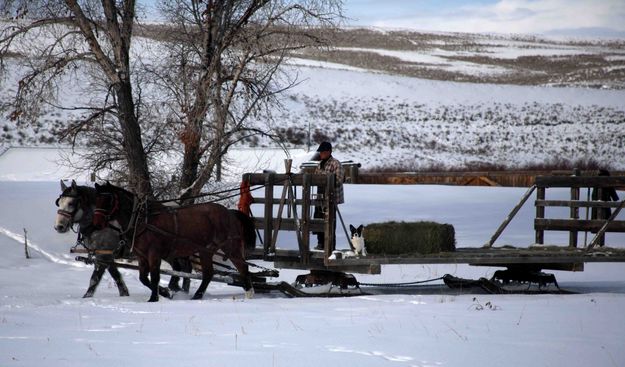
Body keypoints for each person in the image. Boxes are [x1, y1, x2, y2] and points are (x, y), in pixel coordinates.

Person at [312, 141, 345, 250]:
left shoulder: (336, 163)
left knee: (330, 223)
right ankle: (320, 243)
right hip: (320, 198)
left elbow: (339, 180)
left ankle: (330, 246)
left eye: (323, 152)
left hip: (331, 199)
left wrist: (325, 181)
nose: (320, 154)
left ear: (329, 152)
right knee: (319, 221)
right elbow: (315, 178)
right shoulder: (319, 164)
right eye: (320, 152)